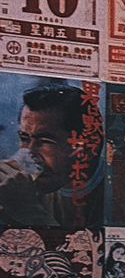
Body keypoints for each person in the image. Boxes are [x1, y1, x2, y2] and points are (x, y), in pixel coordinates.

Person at [0, 85, 100, 230]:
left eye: (45, 141)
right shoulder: (31, 183)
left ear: (86, 149)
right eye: (24, 138)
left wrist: (29, 211)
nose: (29, 153)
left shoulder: (116, 196)